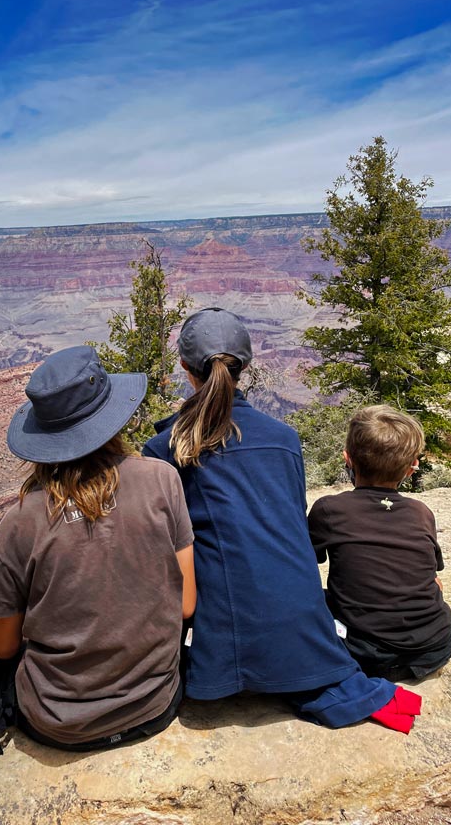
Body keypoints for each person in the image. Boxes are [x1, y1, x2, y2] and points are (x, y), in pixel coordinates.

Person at [143, 307, 422, 733]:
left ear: (184, 366)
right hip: (300, 622)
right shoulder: (284, 439)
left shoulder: (164, 449)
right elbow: (290, 525)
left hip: (221, 630)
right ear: (245, 366)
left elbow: (164, 553)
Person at [0, 345, 196, 751]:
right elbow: (186, 605)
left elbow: (3, 646)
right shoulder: (162, 481)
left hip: (58, 723)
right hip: (153, 706)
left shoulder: (20, 522)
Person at [308, 404, 451, 681]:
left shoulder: (329, 510)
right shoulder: (421, 512)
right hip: (434, 647)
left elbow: (305, 567)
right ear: (412, 469)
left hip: (364, 653)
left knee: (315, 601)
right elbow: (433, 578)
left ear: (347, 459)